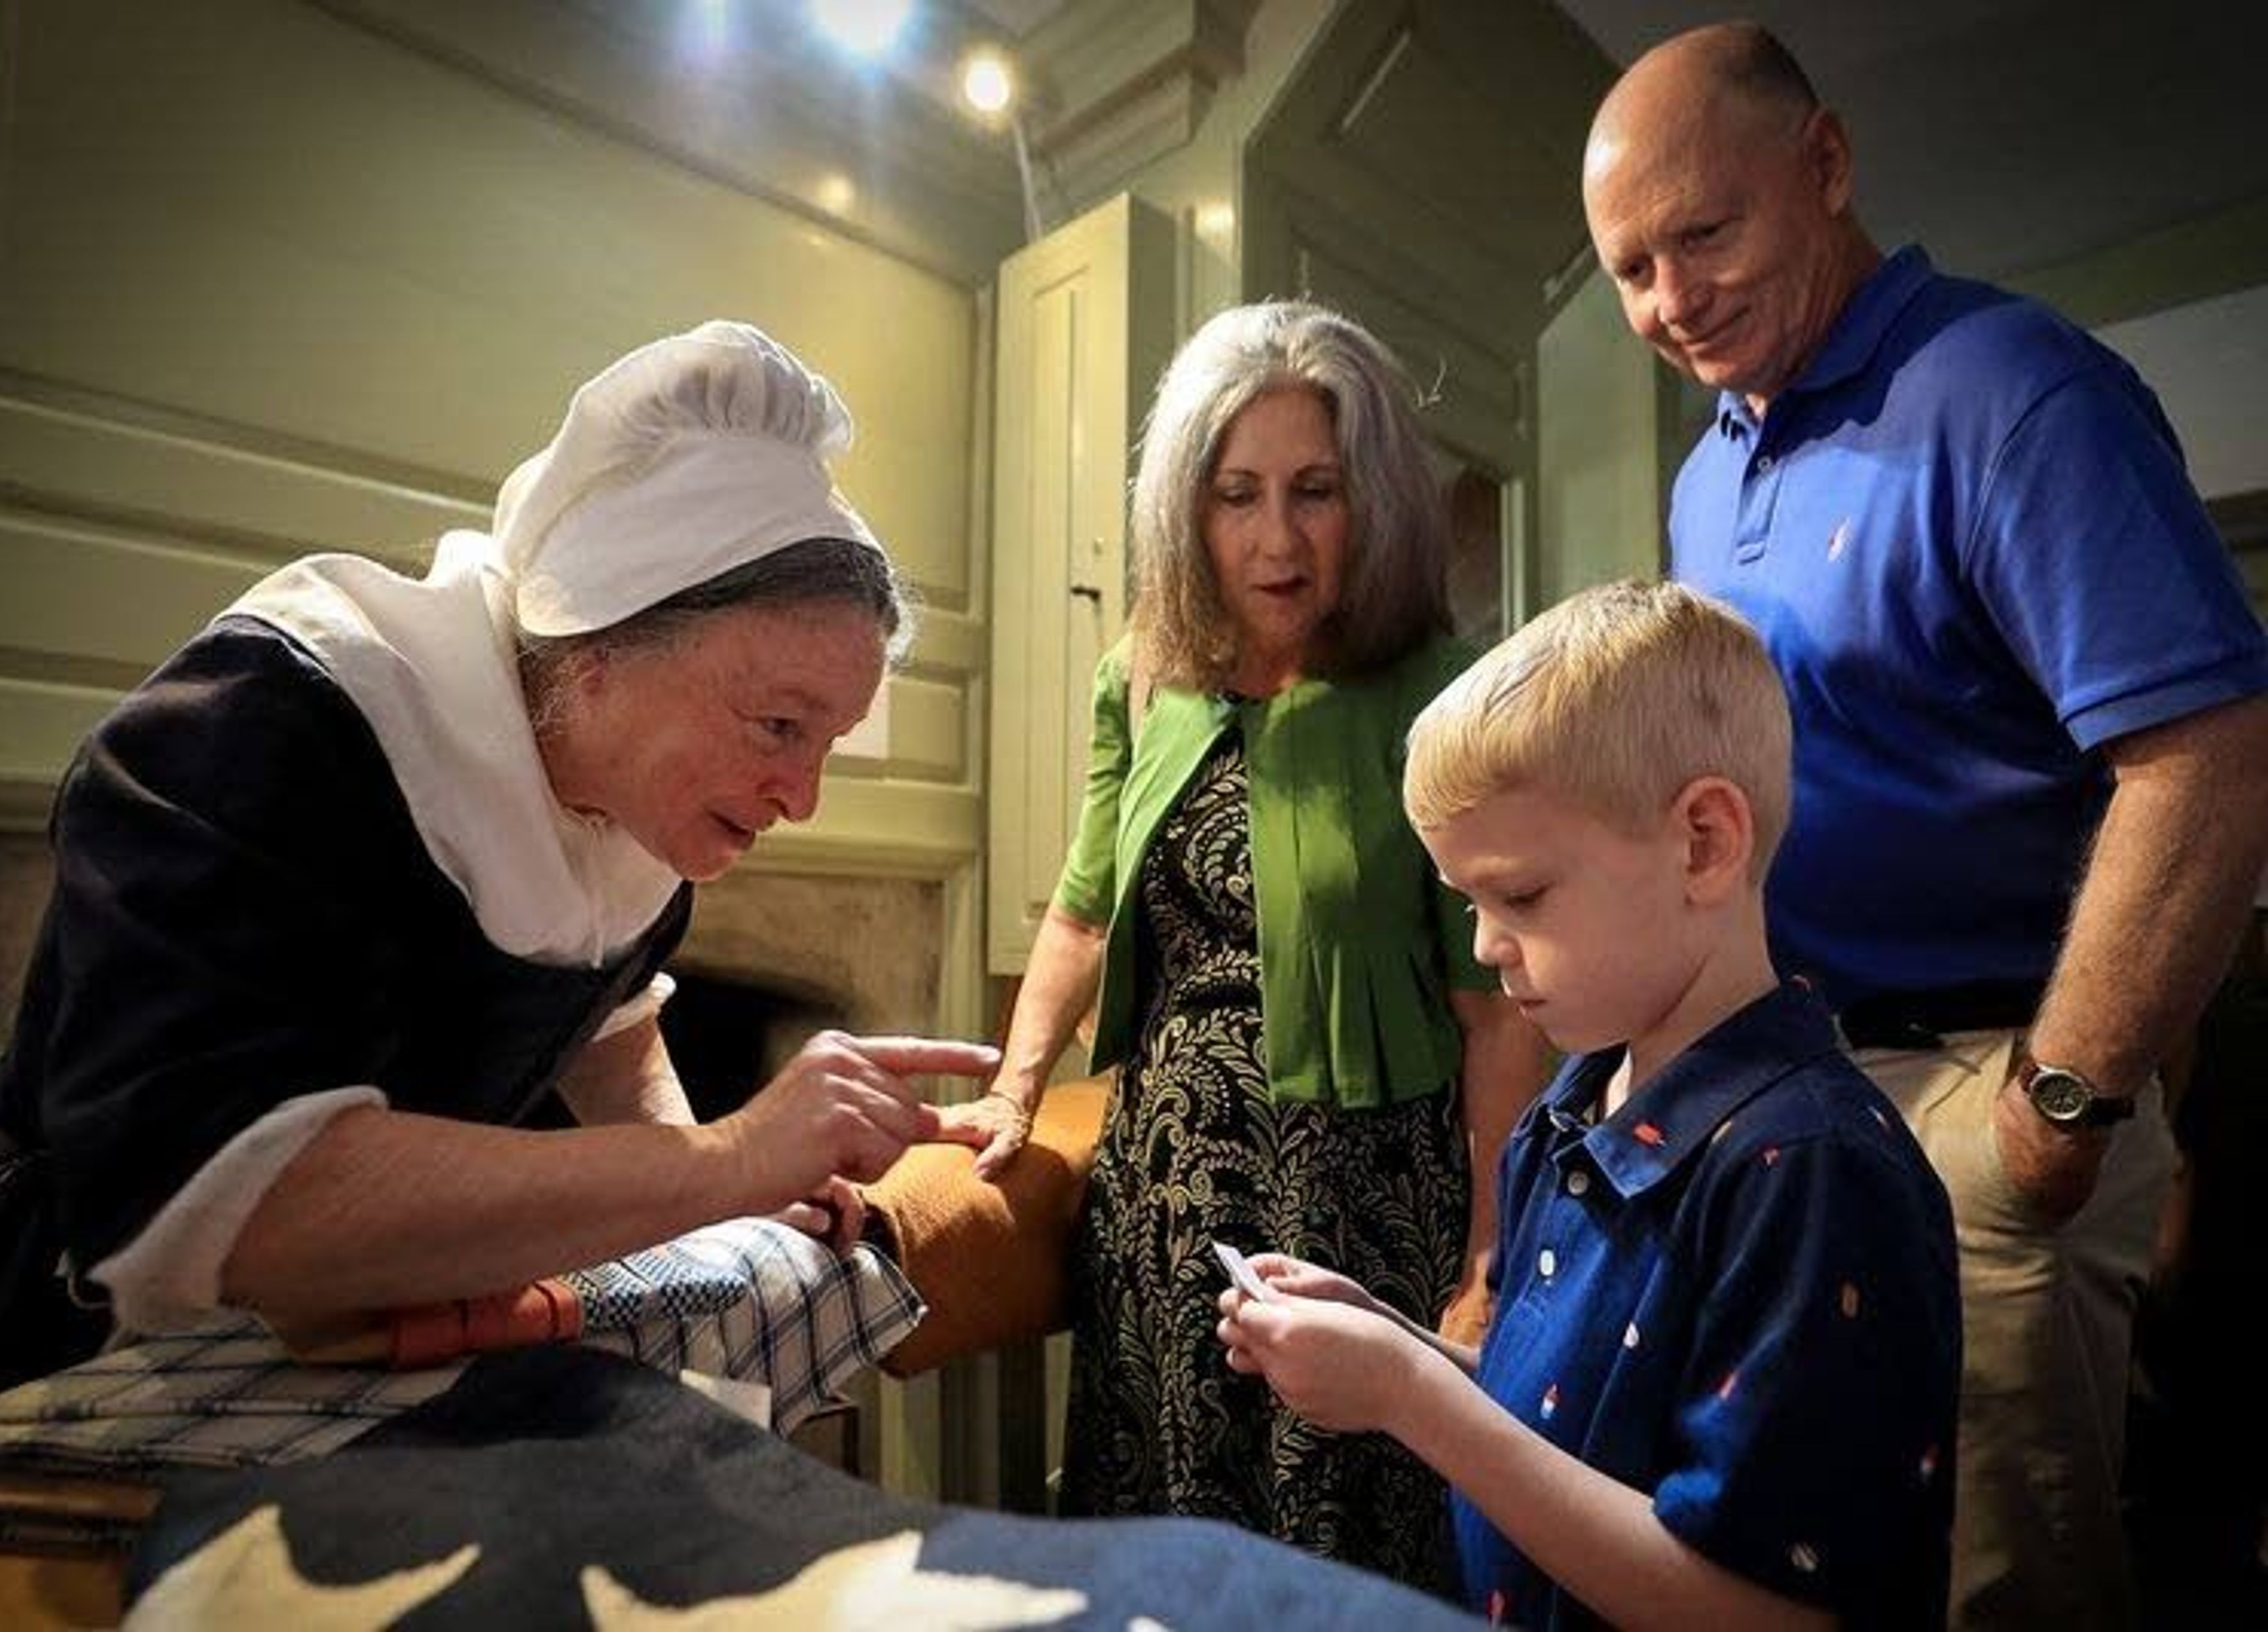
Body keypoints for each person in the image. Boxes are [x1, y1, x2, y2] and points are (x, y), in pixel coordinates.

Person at [0, 320, 1000, 1628]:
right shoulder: (267, 728)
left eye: (828, 741)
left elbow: (600, 1024)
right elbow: (232, 1200)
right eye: (779, 725)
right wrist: (725, 1158)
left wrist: (730, 1197)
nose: (802, 793)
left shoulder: (632, 807)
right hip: (11, 1332)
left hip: (318, 1349)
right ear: (599, 642)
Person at [1578, 23, 2268, 1628]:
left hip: (1985, 1089)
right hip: (1786, 1100)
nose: (1672, 301)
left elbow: (2213, 754)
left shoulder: (2015, 393)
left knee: (1999, 1585)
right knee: (1800, 1554)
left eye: (1706, 234)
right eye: (1630, 269)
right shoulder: (1703, 474)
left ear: (1824, 168)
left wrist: (2057, 1114)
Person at [930, 299, 1547, 1590]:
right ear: (1186, 511)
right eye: (1236, 494)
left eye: (1315, 490)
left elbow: (1495, 1012)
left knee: (1341, 1563)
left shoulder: (1445, 689)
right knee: (1162, 1543)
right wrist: (1012, 1085)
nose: (1276, 538)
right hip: (1159, 1213)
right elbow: (1083, 906)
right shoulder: (1143, 676)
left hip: (1368, 1216)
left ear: (1370, 500)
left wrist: (1486, 1263)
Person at [1221, 579, 1963, 1629]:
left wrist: (1411, 1399)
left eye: (1520, 896)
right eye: (1467, 902)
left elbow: (1768, 1608)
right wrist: (1400, 1342)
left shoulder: (1810, 1172)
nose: (1483, 945)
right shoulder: (1571, 1111)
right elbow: (1577, 1415)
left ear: (1704, 842)